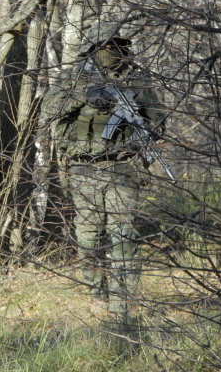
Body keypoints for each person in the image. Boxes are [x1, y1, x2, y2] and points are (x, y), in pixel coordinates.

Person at [42, 22, 166, 330]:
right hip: (84, 167)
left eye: (117, 46)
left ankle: (122, 303)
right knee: (88, 236)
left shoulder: (137, 79)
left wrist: (141, 139)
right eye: (106, 47)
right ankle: (95, 287)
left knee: (123, 234)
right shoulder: (73, 77)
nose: (112, 52)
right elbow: (48, 110)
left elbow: (158, 121)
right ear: (93, 49)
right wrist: (84, 96)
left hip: (124, 166)